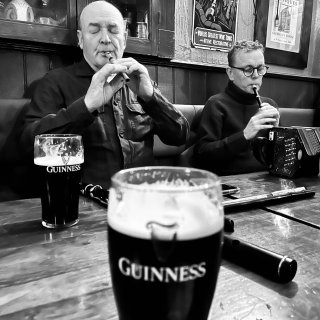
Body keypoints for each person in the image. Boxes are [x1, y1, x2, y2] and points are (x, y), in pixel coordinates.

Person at [20, 1, 189, 189]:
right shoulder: (55, 81)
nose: (106, 39)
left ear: (124, 38)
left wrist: (151, 98)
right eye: (94, 31)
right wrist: (85, 106)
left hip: (142, 198)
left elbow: (180, 136)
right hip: (85, 204)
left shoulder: (141, 82)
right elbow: (29, 144)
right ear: (81, 39)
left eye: (113, 30)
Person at [193, 40, 279, 175]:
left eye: (260, 68)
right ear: (230, 73)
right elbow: (202, 156)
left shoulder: (270, 105)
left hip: (265, 181)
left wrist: (278, 133)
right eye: (248, 69)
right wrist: (244, 136)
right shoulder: (216, 104)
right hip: (231, 184)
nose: (256, 75)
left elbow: (278, 159)